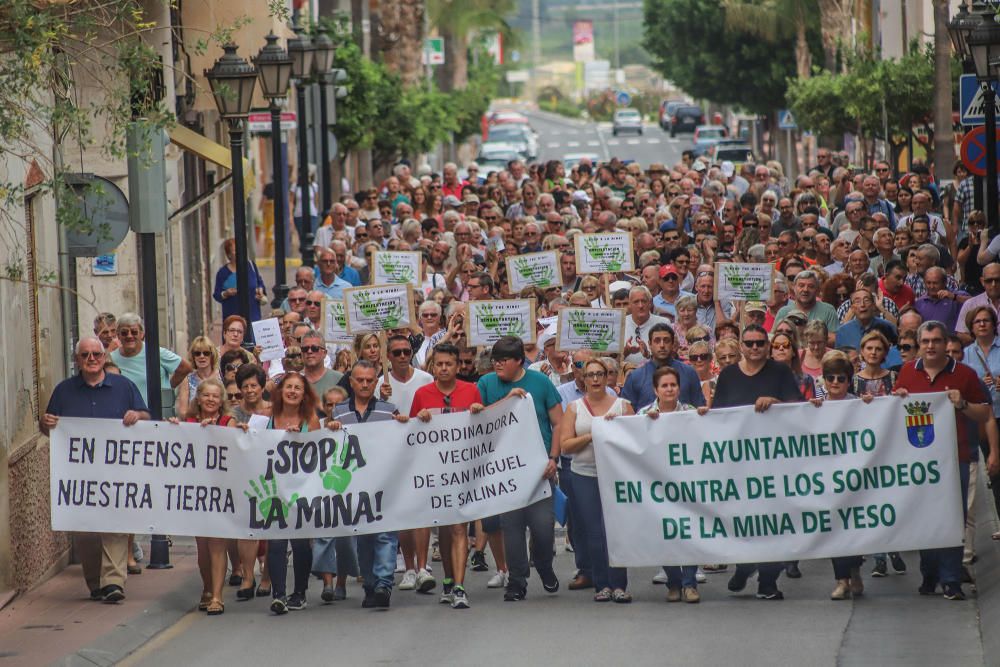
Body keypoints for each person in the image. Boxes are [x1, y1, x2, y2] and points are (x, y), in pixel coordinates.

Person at [41, 337, 149, 603]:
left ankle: (113, 581)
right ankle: (95, 583)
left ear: (104, 357)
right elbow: (48, 427)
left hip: (116, 474)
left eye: (96, 354)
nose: (91, 359)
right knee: (86, 531)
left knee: (115, 525)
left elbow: (147, 417)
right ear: (77, 360)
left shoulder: (124, 387)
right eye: (85, 355)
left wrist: (138, 416)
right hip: (79, 478)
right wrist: (47, 422)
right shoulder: (64, 391)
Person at [893, 321, 992, 600]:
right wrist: (896, 398)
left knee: (952, 518)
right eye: (925, 341)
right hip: (918, 461)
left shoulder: (964, 374)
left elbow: (984, 413)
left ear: (944, 343)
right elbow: (893, 414)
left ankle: (950, 579)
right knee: (925, 519)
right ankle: (929, 573)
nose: (930, 346)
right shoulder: (906, 372)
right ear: (919, 343)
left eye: (936, 341)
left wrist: (962, 404)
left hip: (955, 457)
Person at [712, 325, 803, 600]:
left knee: (773, 524)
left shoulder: (780, 372)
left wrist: (775, 402)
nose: (754, 348)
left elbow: (798, 408)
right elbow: (717, 414)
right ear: (741, 345)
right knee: (742, 519)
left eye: (759, 343)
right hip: (738, 463)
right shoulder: (728, 375)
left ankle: (767, 581)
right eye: (749, 343)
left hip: (774, 462)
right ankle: (744, 565)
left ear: (767, 345)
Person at [477, 337, 562, 601]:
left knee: (543, 528)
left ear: (519, 361)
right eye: (495, 360)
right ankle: (517, 580)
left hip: (539, 468)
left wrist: (553, 458)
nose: (498, 365)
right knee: (511, 528)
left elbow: (558, 423)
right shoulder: (486, 383)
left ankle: (544, 565)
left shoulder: (540, 383)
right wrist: (506, 402)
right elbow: (477, 418)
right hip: (505, 469)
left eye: (503, 360)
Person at [327, 361, 409, 608]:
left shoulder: (389, 410)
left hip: (384, 482)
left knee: (385, 534)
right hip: (354, 485)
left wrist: (405, 425)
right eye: (359, 380)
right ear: (351, 382)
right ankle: (370, 584)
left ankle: (384, 583)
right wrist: (329, 428)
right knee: (363, 537)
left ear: (376, 382)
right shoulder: (339, 412)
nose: (364, 384)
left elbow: (403, 442)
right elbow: (327, 446)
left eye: (369, 380)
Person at [411, 343, 485, 609]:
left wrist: (479, 411)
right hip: (434, 472)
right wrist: (418, 418)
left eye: (448, 364)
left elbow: (485, 428)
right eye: (439, 364)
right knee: (444, 527)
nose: (443, 368)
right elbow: (410, 433)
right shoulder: (422, 394)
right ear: (433, 366)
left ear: (457, 366)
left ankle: (460, 586)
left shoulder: (471, 390)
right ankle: (448, 580)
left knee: (458, 526)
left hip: (463, 470)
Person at [558, 358, 634, 603]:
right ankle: (602, 584)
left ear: (607, 376)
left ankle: (619, 584)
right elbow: (565, 446)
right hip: (584, 474)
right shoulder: (574, 407)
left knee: (615, 529)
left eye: (600, 374)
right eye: (590, 375)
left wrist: (616, 430)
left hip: (616, 474)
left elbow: (636, 441)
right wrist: (593, 434)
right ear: (582, 378)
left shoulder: (623, 406)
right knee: (592, 531)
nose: (595, 379)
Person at [167, 378, 240, 615]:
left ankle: (217, 596)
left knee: (217, 544)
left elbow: (235, 446)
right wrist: (171, 429)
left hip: (220, 492)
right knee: (202, 548)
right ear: (198, 398)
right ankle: (207, 588)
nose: (210, 400)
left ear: (221, 401)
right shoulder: (188, 422)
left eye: (215, 396)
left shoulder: (228, 422)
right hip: (196, 494)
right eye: (206, 395)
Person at [635, 365, 704, 602]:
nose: (669, 389)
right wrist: (644, 423)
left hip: (687, 482)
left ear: (679, 387)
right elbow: (632, 442)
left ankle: (690, 583)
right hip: (658, 484)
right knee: (664, 532)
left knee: (690, 530)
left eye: (673, 385)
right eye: (664, 385)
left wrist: (705, 418)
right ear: (655, 389)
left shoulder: (691, 411)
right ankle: (673, 583)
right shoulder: (643, 413)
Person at [808, 352, 871, 600]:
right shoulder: (816, 405)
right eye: (830, 377)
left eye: (840, 378)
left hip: (855, 476)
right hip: (827, 478)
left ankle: (855, 569)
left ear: (849, 381)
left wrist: (870, 407)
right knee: (834, 527)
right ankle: (841, 580)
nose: (835, 382)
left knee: (853, 526)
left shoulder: (858, 403)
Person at [265, 372, 321, 615]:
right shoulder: (269, 417)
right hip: (274, 490)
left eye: (298, 388)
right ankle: (278, 594)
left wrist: (301, 437)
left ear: (304, 394)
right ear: (281, 391)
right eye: (289, 387)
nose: (293, 391)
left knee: (300, 544)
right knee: (276, 541)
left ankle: (299, 593)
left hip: (302, 491)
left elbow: (320, 451)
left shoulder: (311, 418)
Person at [109, 312, 191, 412]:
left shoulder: (155, 352)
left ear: (142, 334)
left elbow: (185, 367)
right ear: (118, 335)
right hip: (126, 416)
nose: (129, 336)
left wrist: (168, 387)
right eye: (124, 333)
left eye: (134, 332)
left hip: (157, 415)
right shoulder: (112, 358)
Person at [621, 322, 705, 412]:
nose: (662, 345)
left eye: (666, 340)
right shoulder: (635, 377)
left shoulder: (689, 373)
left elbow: (699, 409)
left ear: (673, 344)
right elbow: (626, 414)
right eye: (657, 340)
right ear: (649, 344)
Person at [213, 237, 268, 322]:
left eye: (241, 248)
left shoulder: (251, 266)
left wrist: (260, 290)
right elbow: (217, 295)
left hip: (253, 317)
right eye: (235, 250)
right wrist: (226, 293)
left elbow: (260, 283)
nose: (239, 252)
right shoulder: (223, 273)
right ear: (229, 254)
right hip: (233, 320)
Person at [176, 336, 219, 417]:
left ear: (212, 355)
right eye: (197, 353)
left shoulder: (221, 376)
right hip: (195, 425)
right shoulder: (187, 379)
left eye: (206, 353)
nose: (202, 356)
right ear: (193, 356)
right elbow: (182, 412)